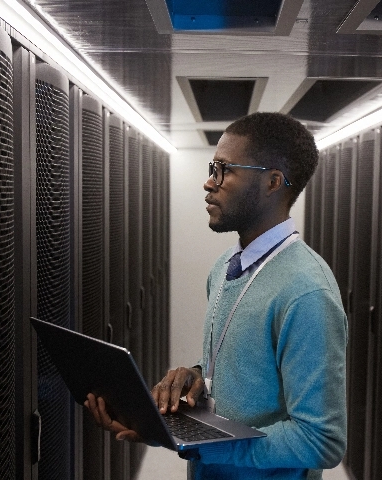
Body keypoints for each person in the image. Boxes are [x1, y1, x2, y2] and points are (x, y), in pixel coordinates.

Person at [86, 112, 347, 480]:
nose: (209, 182)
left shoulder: (307, 292)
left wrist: (195, 444)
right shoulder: (226, 265)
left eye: (224, 169)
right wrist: (195, 377)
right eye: (212, 167)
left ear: (273, 182)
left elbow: (321, 440)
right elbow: (242, 370)